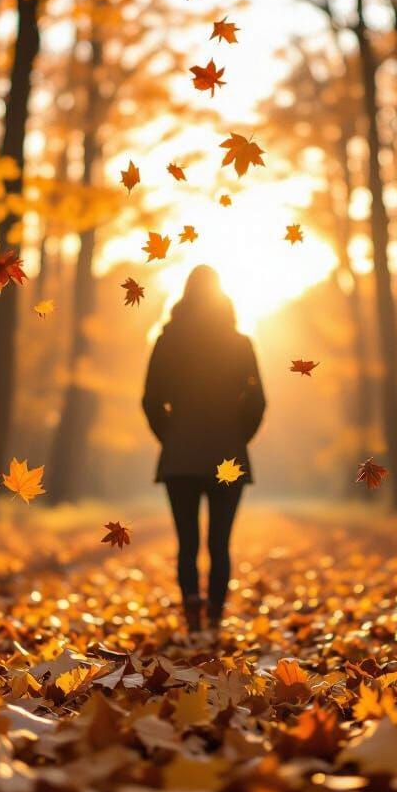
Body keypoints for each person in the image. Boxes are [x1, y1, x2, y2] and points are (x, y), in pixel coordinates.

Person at [142, 265, 266, 633]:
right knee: (220, 543)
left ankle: (192, 614)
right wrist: (238, 436)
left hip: (180, 456)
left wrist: (170, 436)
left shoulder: (168, 341)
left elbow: (150, 399)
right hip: (228, 454)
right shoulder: (240, 343)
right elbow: (258, 400)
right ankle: (214, 614)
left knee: (187, 542)